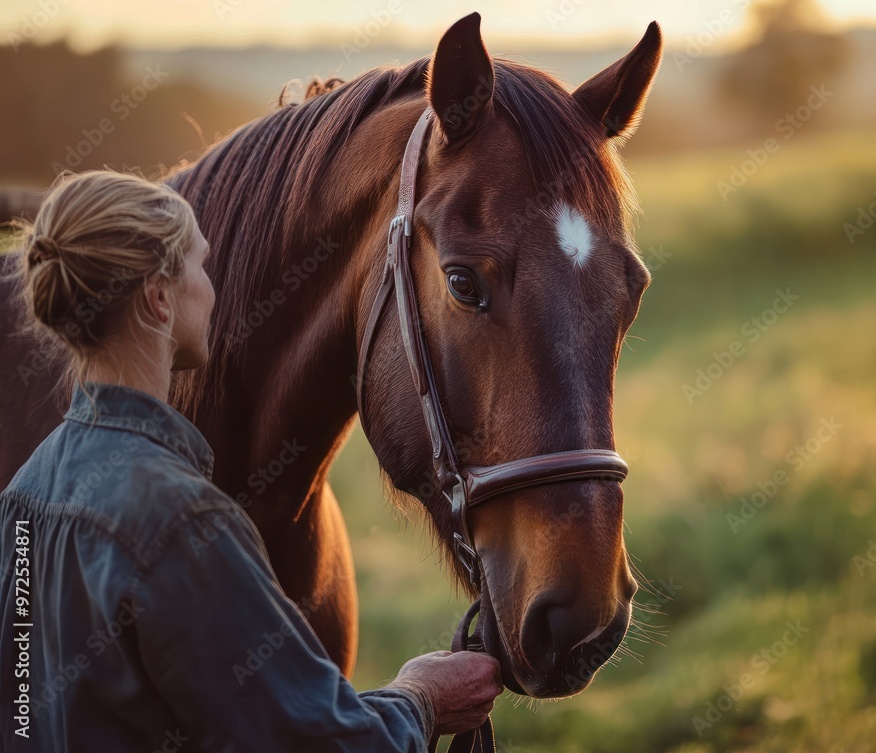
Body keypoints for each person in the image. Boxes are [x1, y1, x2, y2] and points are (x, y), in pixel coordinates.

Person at [0, 170, 502, 752]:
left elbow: (21, 718)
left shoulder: (26, 489)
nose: (212, 290)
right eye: (198, 265)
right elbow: (308, 743)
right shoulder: (182, 520)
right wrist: (422, 698)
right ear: (160, 299)